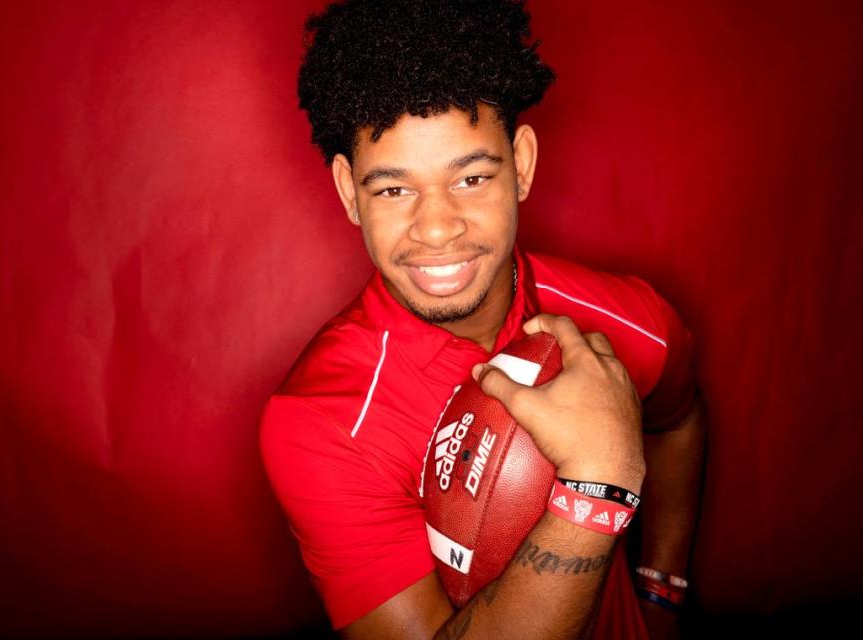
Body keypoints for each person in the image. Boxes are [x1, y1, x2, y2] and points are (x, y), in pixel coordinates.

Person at [259, 1, 706, 638]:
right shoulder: (322, 421)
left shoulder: (629, 317)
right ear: (346, 191)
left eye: (470, 177)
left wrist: (662, 590)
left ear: (520, 165)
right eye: (393, 189)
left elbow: (680, 418)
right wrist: (596, 486)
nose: (436, 227)